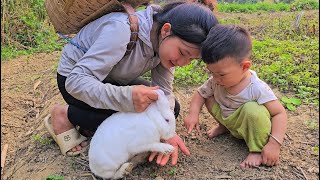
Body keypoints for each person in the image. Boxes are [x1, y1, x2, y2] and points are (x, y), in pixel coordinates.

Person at [45, 1, 219, 167]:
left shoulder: (164, 45)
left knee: (171, 109)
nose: (183, 63)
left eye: (191, 59)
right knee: (131, 120)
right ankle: (65, 115)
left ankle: (90, 124)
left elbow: (164, 93)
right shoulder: (121, 30)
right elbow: (76, 82)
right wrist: (127, 97)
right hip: (74, 80)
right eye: (183, 53)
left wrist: (168, 133)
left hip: (112, 78)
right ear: (166, 30)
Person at [184, 25, 287, 168]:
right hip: (231, 121)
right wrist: (193, 114)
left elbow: (279, 113)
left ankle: (256, 149)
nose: (216, 78)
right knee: (208, 97)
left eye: (221, 74)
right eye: (212, 73)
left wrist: (274, 143)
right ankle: (224, 127)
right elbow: (200, 94)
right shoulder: (216, 81)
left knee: (252, 110)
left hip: (251, 127)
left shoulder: (256, 87)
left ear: (244, 67)